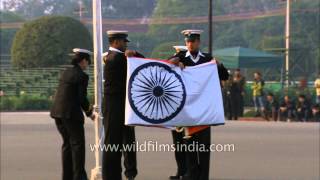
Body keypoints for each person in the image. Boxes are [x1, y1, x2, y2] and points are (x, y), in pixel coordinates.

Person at [169, 29, 229, 180]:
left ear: (198, 42)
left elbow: (224, 76)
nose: (190, 44)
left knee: (203, 148)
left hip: (204, 111)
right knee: (189, 147)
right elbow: (168, 64)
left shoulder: (207, 59)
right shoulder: (181, 57)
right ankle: (191, 174)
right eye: (187, 41)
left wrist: (219, 65)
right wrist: (176, 62)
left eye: (192, 41)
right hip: (187, 111)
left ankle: (203, 176)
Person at [102, 30, 144, 180]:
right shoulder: (117, 58)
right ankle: (111, 175)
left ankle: (126, 173)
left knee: (125, 140)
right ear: (116, 42)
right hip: (115, 106)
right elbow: (143, 63)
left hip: (119, 105)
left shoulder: (111, 57)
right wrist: (135, 54)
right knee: (113, 142)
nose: (125, 46)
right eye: (124, 42)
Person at [50, 48, 95, 180]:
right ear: (83, 61)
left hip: (57, 114)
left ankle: (67, 176)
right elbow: (81, 98)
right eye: (88, 62)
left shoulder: (65, 73)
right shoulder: (82, 76)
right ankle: (79, 176)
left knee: (67, 145)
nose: (87, 65)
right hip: (71, 115)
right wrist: (89, 112)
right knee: (78, 146)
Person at [169, 46, 188, 180]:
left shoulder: (190, 66)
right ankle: (180, 171)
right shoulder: (175, 65)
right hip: (176, 112)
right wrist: (176, 61)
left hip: (187, 111)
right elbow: (168, 62)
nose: (177, 56)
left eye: (180, 54)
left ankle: (187, 172)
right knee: (177, 145)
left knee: (187, 145)